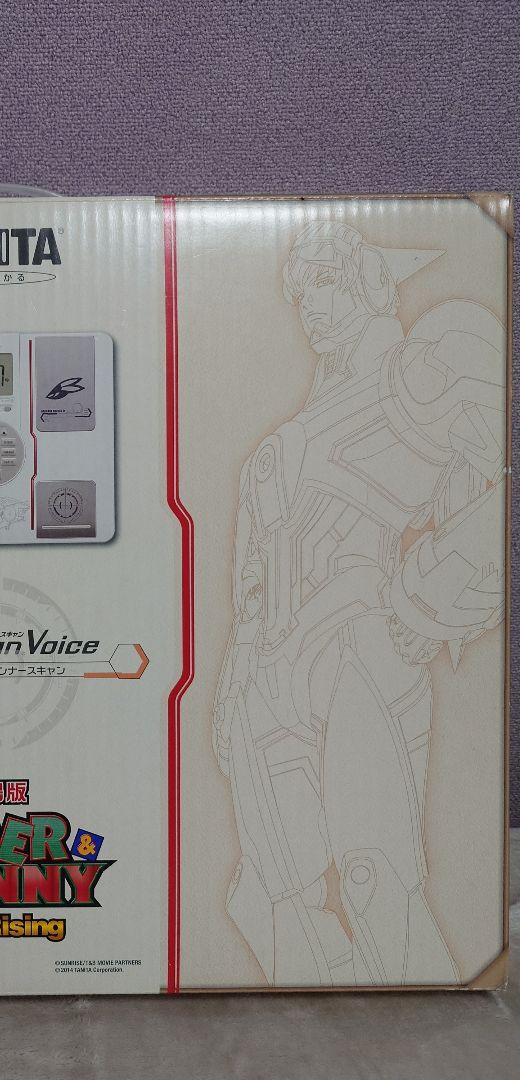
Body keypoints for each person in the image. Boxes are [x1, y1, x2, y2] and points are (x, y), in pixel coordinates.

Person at [213, 221, 505, 986]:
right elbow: (254, 580)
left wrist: (425, 605)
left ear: (372, 283)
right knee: (276, 900)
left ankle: (425, 1020)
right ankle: (311, 1037)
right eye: (301, 290)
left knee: (375, 877)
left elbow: (494, 504)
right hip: (269, 673)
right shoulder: (291, 435)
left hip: (360, 650)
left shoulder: (426, 368)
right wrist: (238, 680)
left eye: (327, 282)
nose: (310, 304)